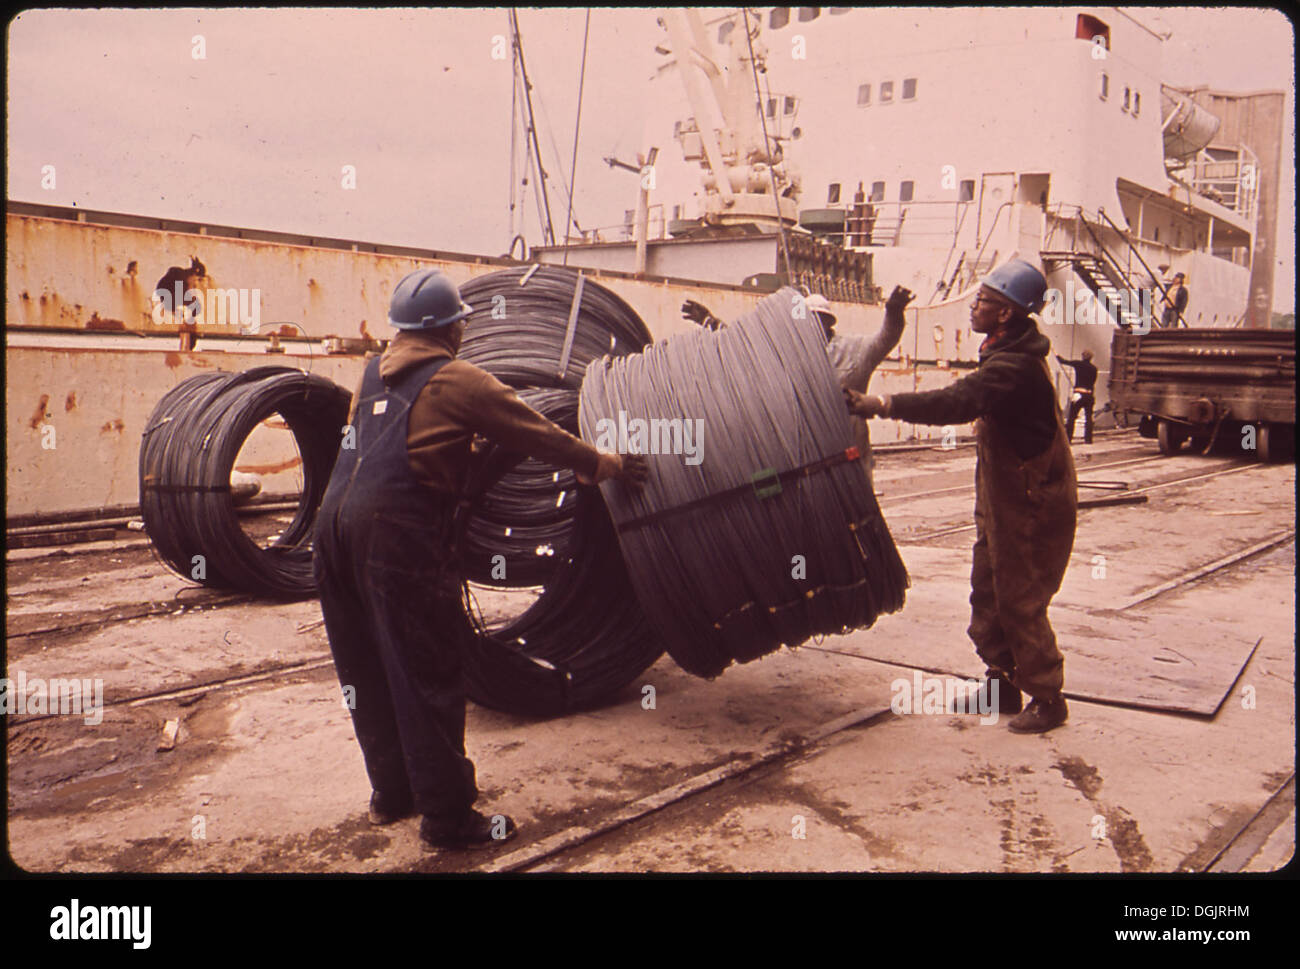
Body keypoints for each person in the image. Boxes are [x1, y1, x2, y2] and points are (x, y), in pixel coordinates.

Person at [313, 268, 646, 850]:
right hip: (395, 539)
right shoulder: (458, 381)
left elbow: (358, 446)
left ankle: (392, 793)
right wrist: (604, 465)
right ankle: (448, 819)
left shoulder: (368, 376)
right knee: (426, 671)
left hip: (333, 532)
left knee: (365, 669)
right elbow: (537, 433)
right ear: (450, 330)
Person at [845, 259, 1077, 733]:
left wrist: (883, 404)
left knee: (1021, 594)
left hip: (1031, 499)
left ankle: (1049, 697)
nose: (973, 307)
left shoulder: (1013, 367)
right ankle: (1003, 684)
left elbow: (957, 401)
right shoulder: (1003, 351)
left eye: (983, 301)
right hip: (1003, 495)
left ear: (1006, 313)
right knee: (988, 586)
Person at [681, 285, 912, 487]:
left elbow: (886, 338)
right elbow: (745, 350)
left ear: (828, 323)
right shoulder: (788, 354)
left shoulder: (856, 351)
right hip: (807, 454)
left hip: (850, 451)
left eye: (815, 321)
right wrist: (710, 322)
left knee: (857, 513)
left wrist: (894, 312)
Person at [1056, 348, 1098, 444]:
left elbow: (1063, 361)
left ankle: (1068, 438)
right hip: (1089, 395)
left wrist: (1056, 355)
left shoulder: (1078, 364)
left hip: (1078, 394)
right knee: (1089, 418)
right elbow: (1093, 382)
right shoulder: (1094, 369)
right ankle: (1088, 440)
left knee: (1072, 417)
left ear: (1082, 356)